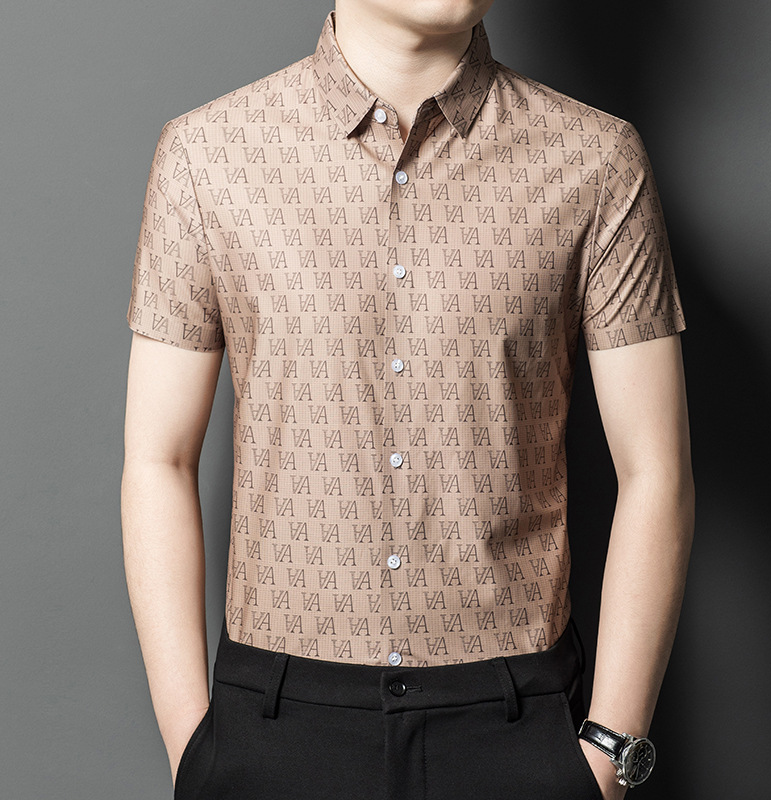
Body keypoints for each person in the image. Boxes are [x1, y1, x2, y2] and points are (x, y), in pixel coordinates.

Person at [120, 1, 695, 798]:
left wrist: (606, 753)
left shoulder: (594, 160)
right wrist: (197, 747)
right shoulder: (207, 155)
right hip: (276, 729)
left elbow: (656, 471)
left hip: (516, 727)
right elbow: (160, 458)